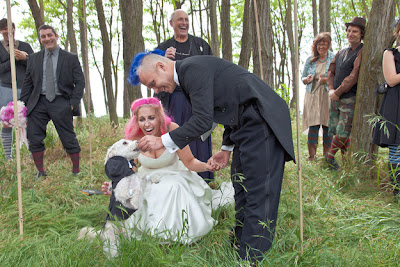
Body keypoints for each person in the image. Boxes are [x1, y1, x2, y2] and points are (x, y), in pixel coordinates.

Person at [129, 51, 295, 263]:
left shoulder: (191, 69)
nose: (155, 89)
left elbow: (202, 120)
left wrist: (163, 140)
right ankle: (239, 243)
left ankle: (252, 256)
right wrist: (226, 148)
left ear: (161, 66)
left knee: (259, 191)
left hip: (262, 119)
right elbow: (228, 106)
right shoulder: (189, 78)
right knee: (240, 185)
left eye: (153, 82)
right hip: (244, 125)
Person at [101, 97, 231, 244]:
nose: (147, 124)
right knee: (147, 192)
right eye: (142, 119)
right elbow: (131, 171)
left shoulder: (172, 129)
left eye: (151, 118)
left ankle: (178, 234)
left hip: (175, 173)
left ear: (160, 117)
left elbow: (189, 161)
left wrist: (207, 166)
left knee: (173, 187)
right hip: (147, 176)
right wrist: (117, 186)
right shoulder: (133, 138)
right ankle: (151, 233)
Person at [154, 9, 214, 181]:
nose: (184, 23)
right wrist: (164, 59)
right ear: (172, 23)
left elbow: (211, 70)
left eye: (186, 20)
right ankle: (179, 177)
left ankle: (203, 177)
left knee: (199, 135)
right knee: (178, 134)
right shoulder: (162, 48)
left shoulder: (201, 45)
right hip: (175, 101)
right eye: (180, 20)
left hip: (198, 100)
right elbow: (154, 75)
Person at [20, 25, 85, 179]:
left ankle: (76, 171)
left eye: (50, 35)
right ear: (40, 39)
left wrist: (73, 103)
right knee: (34, 136)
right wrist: (22, 107)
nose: (47, 39)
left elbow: (80, 82)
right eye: (43, 36)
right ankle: (41, 172)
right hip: (38, 102)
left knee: (68, 137)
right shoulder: (33, 59)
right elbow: (28, 84)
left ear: (56, 36)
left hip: (61, 100)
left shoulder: (70, 58)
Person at [326, 17, 366, 171]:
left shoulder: (362, 52)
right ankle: (345, 165)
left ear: (361, 33)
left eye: (354, 31)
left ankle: (329, 157)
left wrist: (338, 91)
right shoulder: (341, 52)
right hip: (335, 97)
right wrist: (331, 89)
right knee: (336, 130)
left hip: (349, 98)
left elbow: (353, 76)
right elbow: (331, 71)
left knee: (343, 132)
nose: (350, 33)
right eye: (349, 30)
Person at [372, 18, 400, 198]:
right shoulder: (389, 54)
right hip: (396, 102)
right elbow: (391, 79)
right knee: (397, 147)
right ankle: (397, 189)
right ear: (397, 32)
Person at [0, 18, 33, 160]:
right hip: (5, 88)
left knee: (29, 121)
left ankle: (33, 155)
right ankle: (9, 157)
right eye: (4, 29)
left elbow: (35, 65)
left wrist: (25, 58)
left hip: (25, 88)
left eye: (10, 29)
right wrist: (12, 60)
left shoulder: (25, 45)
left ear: (14, 29)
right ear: (1, 32)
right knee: (6, 122)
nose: (8, 32)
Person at [302, 32, 335, 161]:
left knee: (327, 124)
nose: (322, 46)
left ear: (328, 45)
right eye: (319, 44)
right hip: (313, 95)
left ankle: (327, 156)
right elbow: (303, 77)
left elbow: (336, 77)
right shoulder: (310, 60)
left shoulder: (334, 58)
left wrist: (326, 80)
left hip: (327, 94)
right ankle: (312, 157)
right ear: (315, 45)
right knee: (314, 125)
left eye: (325, 44)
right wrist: (307, 79)